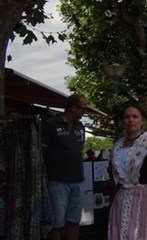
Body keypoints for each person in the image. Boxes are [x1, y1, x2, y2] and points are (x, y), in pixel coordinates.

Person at [107, 100, 147, 239]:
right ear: (122, 121)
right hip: (123, 198)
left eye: (135, 117)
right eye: (127, 117)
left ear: (143, 120)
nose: (130, 120)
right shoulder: (118, 146)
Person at [41, 94, 87, 240]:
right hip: (57, 181)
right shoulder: (50, 125)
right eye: (82, 109)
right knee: (56, 223)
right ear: (73, 107)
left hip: (78, 180)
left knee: (74, 221)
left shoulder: (80, 127)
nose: (84, 112)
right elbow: (41, 152)